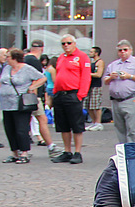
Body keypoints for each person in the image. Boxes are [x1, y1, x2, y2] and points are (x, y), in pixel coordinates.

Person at [0, 48, 45, 164]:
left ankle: (24, 152)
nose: (6, 59)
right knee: (9, 129)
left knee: (21, 129)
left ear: (15, 58)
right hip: (6, 103)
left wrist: (32, 87)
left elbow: (42, 77)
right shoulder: (7, 68)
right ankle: (14, 152)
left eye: (8, 56)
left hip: (20, 103)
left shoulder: (27, 69)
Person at [51, 34, 92, 164]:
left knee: (76, 125)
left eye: (68, 43)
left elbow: (86, 77)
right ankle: (67, 151)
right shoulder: (61, 57)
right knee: (63, 125)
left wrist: (81, 95)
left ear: (74, 43)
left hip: (73, 94)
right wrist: (55, 92)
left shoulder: (82, 57)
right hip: (60, 94)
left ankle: (77, 152)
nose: (66, 46)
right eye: (63, 43)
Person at [104, 40, 135, 144]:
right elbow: (105, 81)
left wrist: (129, 76)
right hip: (115, 100)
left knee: (132, 129)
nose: (123, 52)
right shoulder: (113, 65)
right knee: (120, 128)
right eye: (120, 50)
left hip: (130, 99)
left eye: (125, 50)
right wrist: (111, 77)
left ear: (131, 50)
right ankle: (123, 152)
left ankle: (133, 152)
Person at [24, 41, 59, 156]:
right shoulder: (33, 60)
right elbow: (36, 78)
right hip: (33, 96)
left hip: (28, 95)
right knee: (42, 120)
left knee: (27, 120)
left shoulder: (26, 59)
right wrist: (34, 93)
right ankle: (50, 145)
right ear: (42, 49)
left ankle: (24, 146)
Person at [85, 47, 105, 130]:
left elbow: (98, 74)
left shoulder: (100, 62)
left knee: (96, 105)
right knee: (89, 105)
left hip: (96, 86)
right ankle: (93, 122)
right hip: (89, 85)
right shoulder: (91, 62)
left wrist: (87, 74)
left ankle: (98, 123)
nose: (90, 53)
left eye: (91, 52)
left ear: (96, 53)